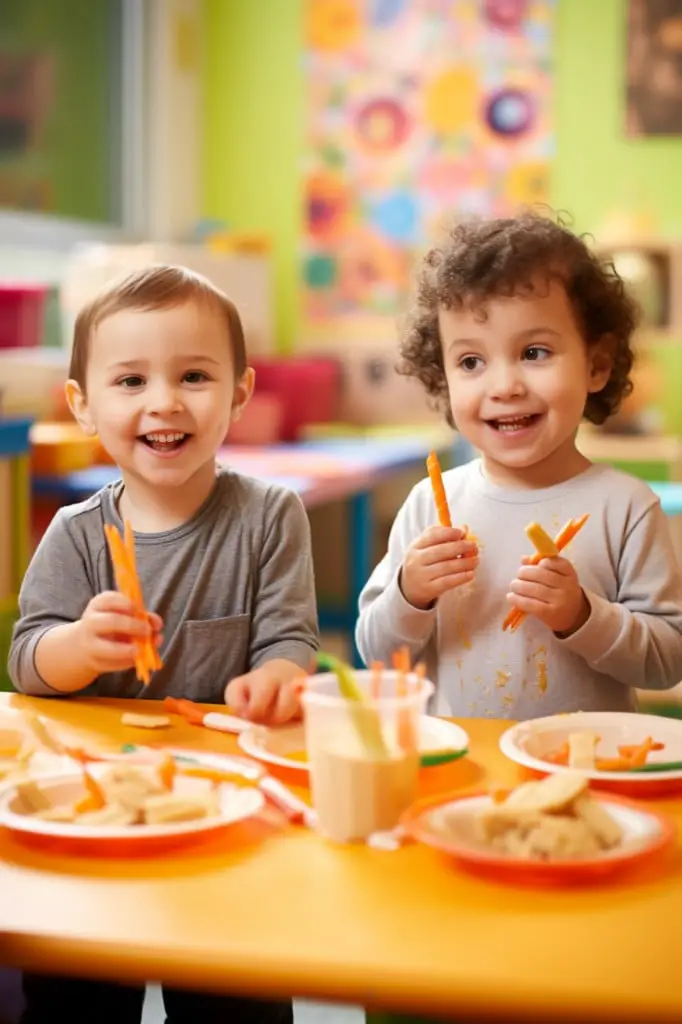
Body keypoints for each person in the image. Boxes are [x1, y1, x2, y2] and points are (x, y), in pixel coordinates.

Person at [9, 264, 318, 1023]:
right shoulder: (77, 535)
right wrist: (77, 648)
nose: (164, 402)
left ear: (239, 394)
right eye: (130, 381)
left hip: (227, 810)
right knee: (76, 993)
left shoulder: (271, 517)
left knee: (233, 995)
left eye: (193, 375)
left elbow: (291, 639)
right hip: (92, 808)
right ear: (82, 404)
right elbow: (27, 661)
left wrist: (276, 678)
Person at [356, 212, 682, 719]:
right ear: (442, 376)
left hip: (582, 766)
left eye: (534, 352)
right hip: (464, 769)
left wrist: (583, 616)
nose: (503, 386)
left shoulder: (627, 508)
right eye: (470, 362)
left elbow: (667, 662)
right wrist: (409, 594)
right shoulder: (428, 505)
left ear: (596, 365)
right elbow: (376, 654)